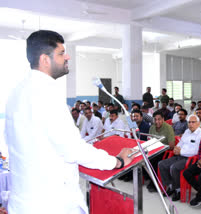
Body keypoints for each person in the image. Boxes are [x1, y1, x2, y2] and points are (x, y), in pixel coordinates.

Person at [4, 30, 135, 214]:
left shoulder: (17, 91)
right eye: (61, 53)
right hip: (51, 202)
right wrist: (116, 161)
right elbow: (73, 149)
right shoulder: (45, 94)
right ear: (45, 60)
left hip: (25, 198)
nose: (67, 57)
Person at [158, 115, 201, 201]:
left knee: (174, 167)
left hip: (190, 159)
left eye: (193, 122)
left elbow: (196, 151)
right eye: (189, 122)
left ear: (198, 123)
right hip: (179, 155)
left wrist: (181, 152)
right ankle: (171, 186)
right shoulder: (187, 131)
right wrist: (176, 148)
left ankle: (178, 190)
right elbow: (181, 143)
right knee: (162, 164)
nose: (190, 124)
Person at [147, 111, 175, 192]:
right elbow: (149, 140)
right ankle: (151, 179)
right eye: (155, 119)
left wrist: (160, 147)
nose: (157, 122)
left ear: (163, 119)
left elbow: (171, 145)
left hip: (165, 151)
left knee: (154, 161)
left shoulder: (168, 128)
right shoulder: (152, 127)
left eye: (159, 119)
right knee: (144, 159)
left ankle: (154, 183)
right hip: (154, 149)